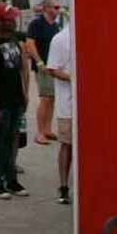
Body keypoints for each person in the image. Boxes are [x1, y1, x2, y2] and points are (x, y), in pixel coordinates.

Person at [0, 2, 30, 200]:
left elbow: (20, 68)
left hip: (15, 99)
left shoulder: (14, 38)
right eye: (9, 20)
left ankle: (11, 179)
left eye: (14, 19)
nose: (13, 23)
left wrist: (24, 94)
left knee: (12, 141)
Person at [25, 0, 63, 145]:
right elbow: (30, 44)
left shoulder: (56, 25)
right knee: (45, 98)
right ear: (47, 8)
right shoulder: (37, 24)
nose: (58, 10)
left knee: (52, 98)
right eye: (55, 7)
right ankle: (39, 132)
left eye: (58, 7)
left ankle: (47, 129)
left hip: (54, 66)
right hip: (44, 66)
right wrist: (39, 62)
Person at [45, 20, 74, 205]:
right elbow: (52, 69)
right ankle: (63, 187)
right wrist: (74, 77)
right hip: (68, 105)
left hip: (88, 104)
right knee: (67, 145)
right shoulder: (60, 39)